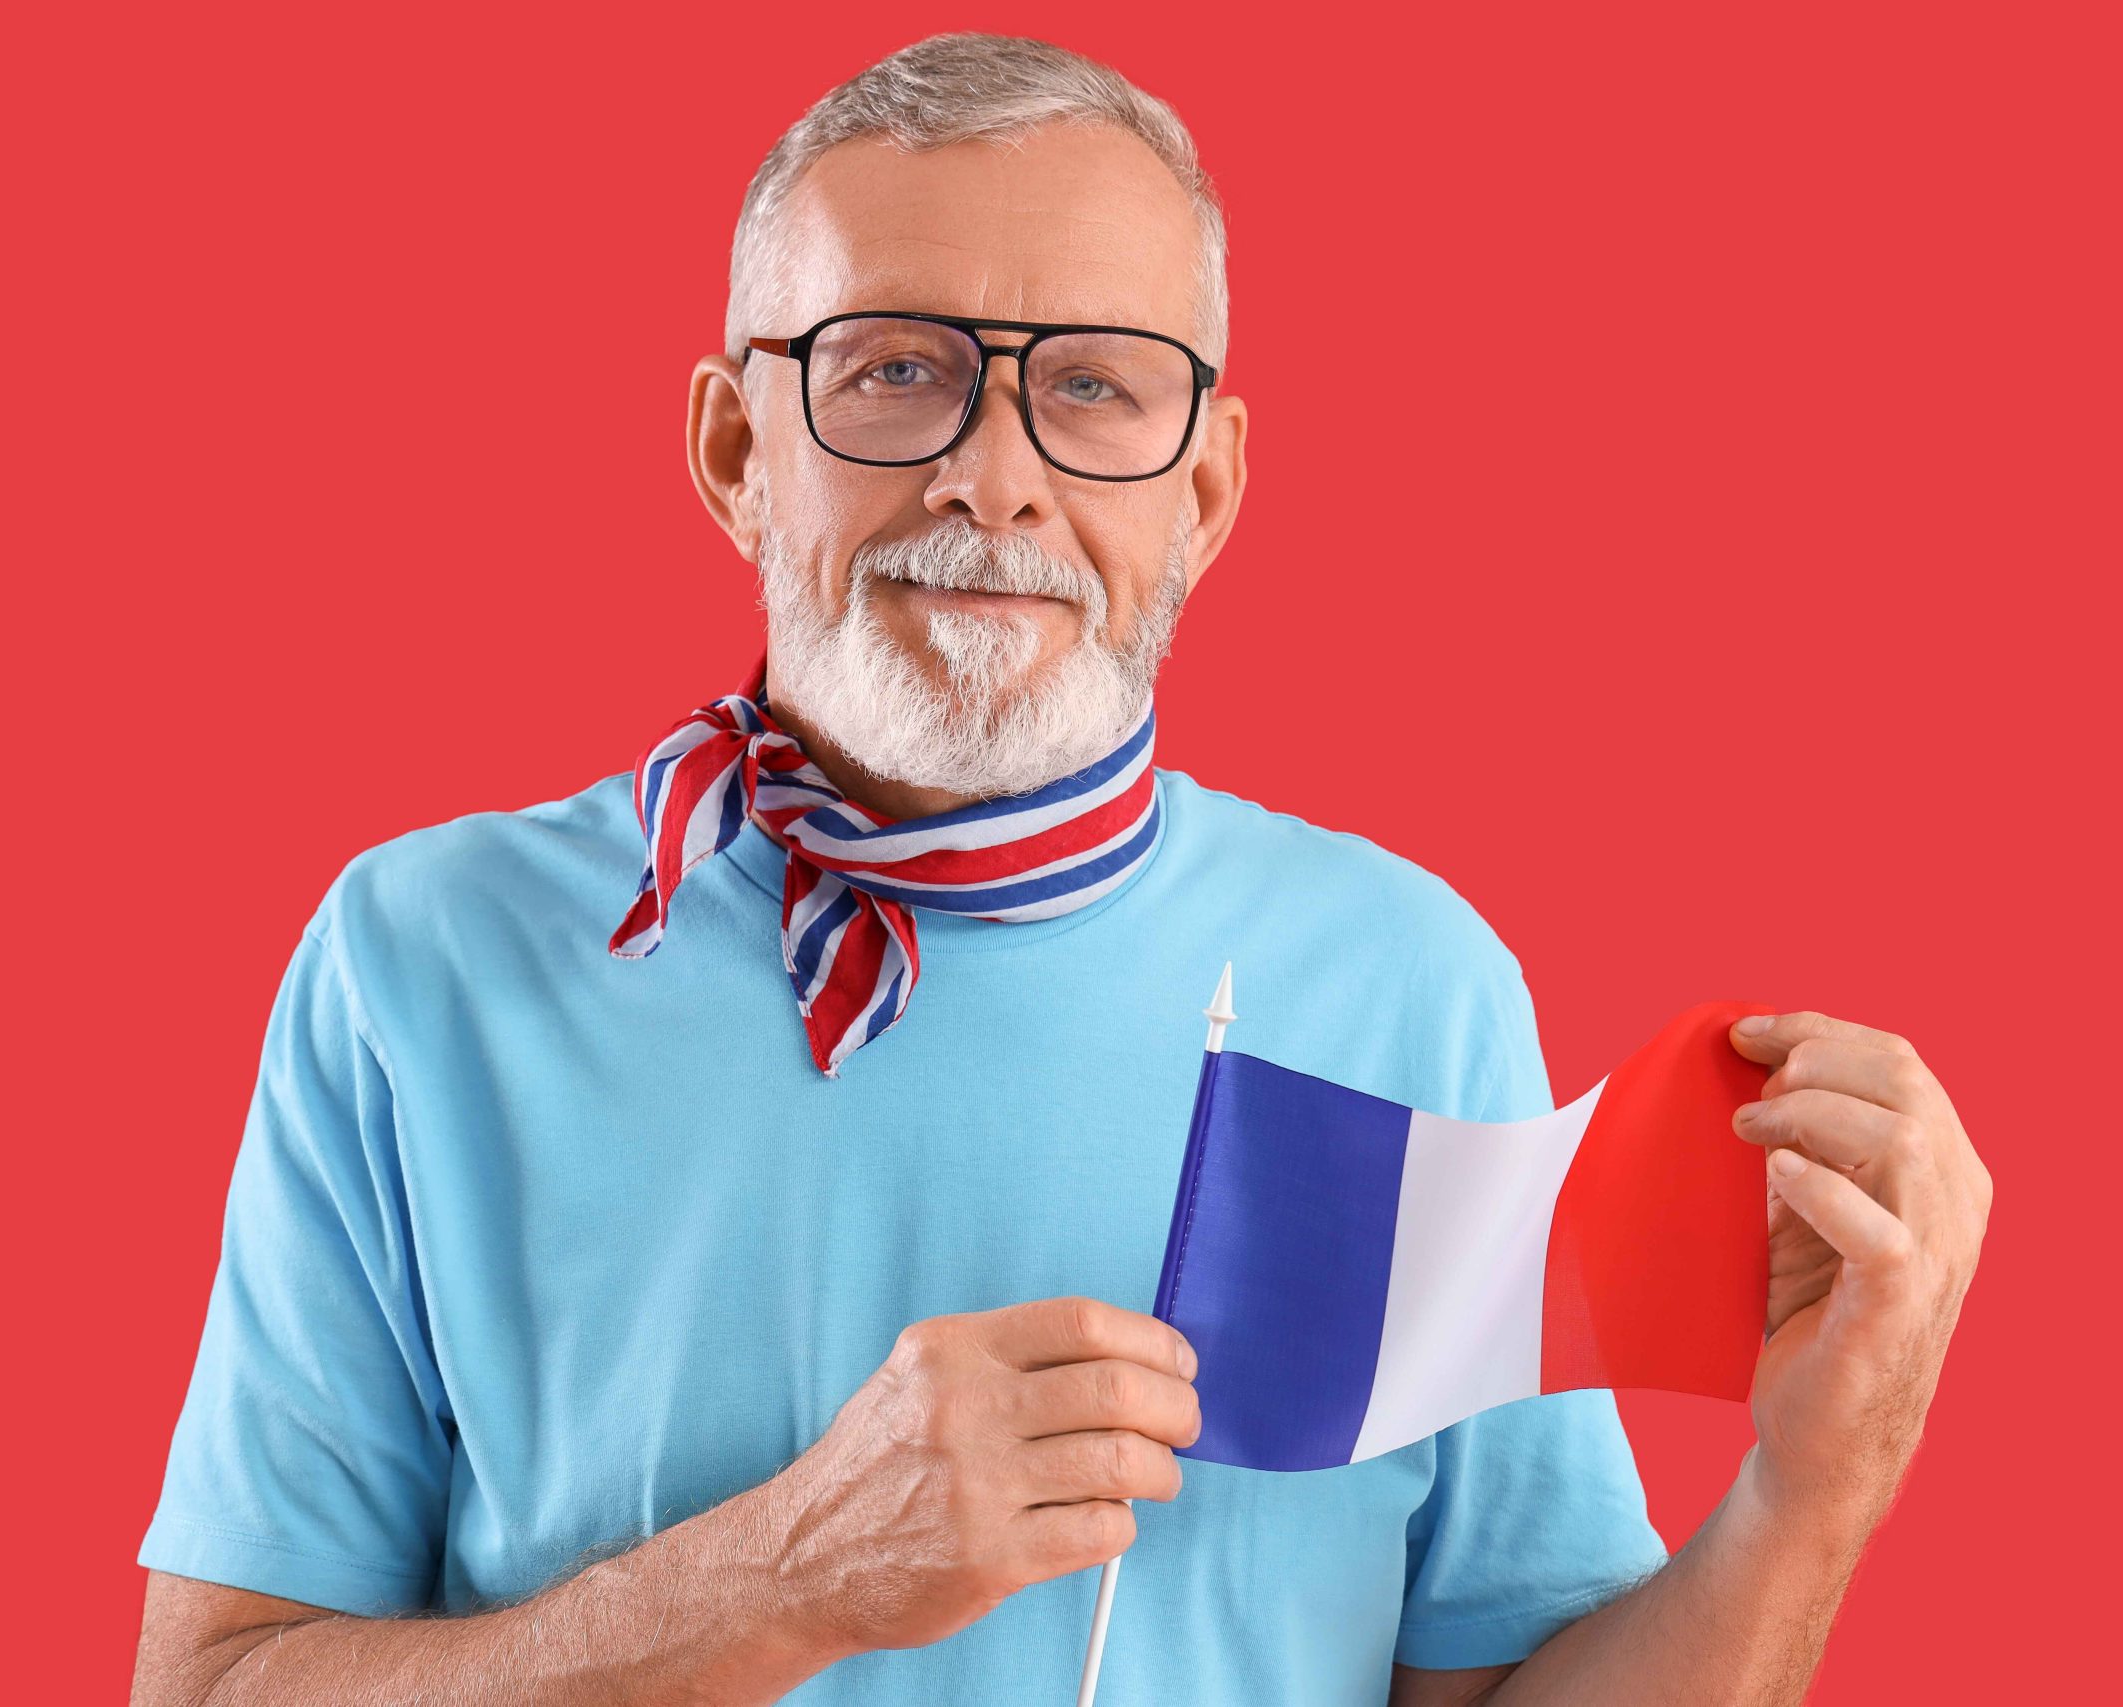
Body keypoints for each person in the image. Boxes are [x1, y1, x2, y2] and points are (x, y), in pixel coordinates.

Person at [130, 32, 1991, 1706]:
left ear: (1206, 488)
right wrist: (780, 1580)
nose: (993, 481)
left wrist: (1818, 1490)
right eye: (893, 372)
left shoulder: (1404, 984)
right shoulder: (421, 962)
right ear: (731, 446)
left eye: (1094, 390)